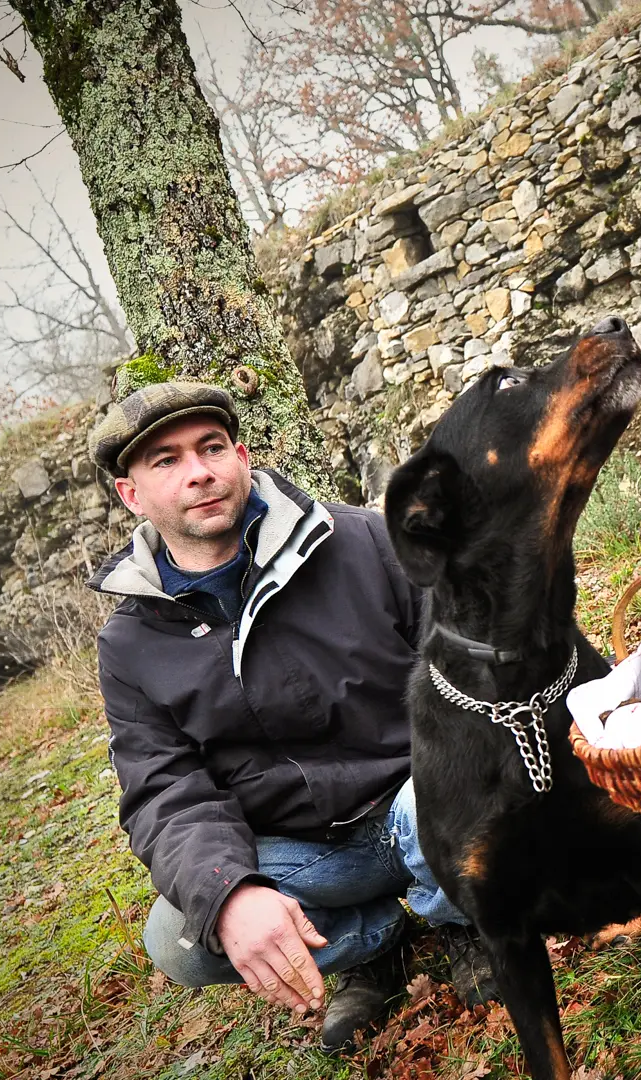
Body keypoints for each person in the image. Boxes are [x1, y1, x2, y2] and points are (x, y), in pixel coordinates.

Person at [86, 382, 495, 1052]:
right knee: (179, 941)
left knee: (445, 797)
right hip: (308, 853)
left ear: (241, 454)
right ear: (132, 494)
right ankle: (375, 943)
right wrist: (231, 892)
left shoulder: (362, 539)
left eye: (211, 447)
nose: (200, 472)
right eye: (166, 461)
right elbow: (164, 791)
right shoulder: (129, 646)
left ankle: (463, 921)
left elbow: (467, 661)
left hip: (421, 800)